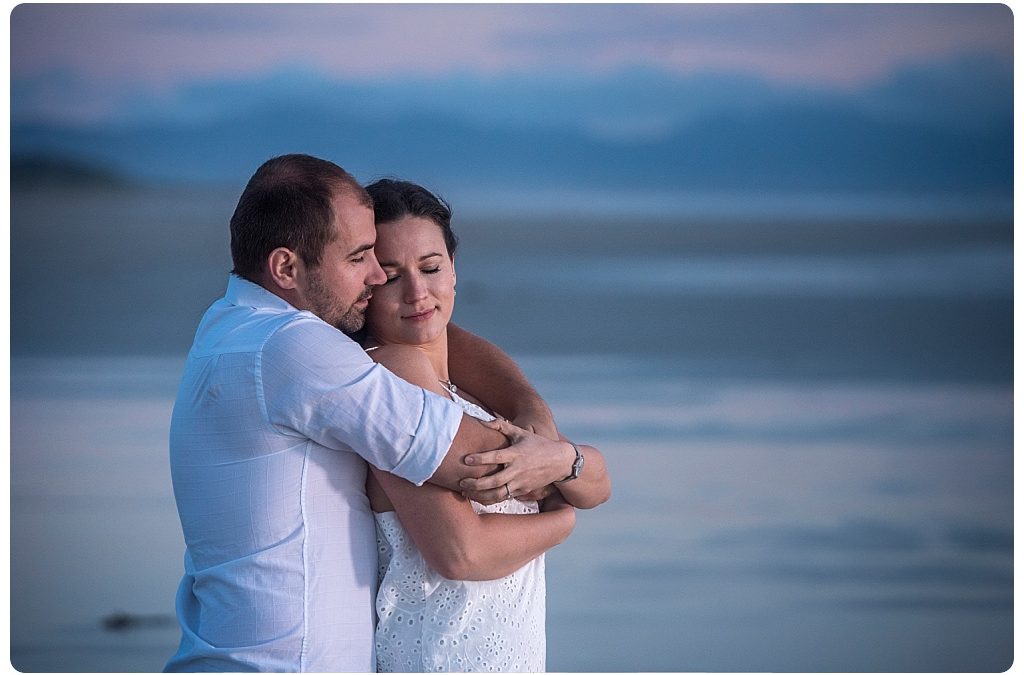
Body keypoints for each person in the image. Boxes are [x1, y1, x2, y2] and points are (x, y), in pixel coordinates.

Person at [164, 154, 585, 672]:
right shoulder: (294, 347)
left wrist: (528, 407)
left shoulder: (231, 325)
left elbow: (443, 336)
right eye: (359, 257)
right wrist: (568, 474)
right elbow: (472, 461)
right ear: (286, 268)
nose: (376, 274)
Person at [361, 178, 611, 672]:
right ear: (363, 285)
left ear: (454, 270)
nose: (417, 292)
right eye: (390, 277)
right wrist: (560, 519)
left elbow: (598, 484)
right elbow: (460, 553)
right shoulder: (389, 376)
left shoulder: (466, 385)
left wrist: (563, 459)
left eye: (431, 268)